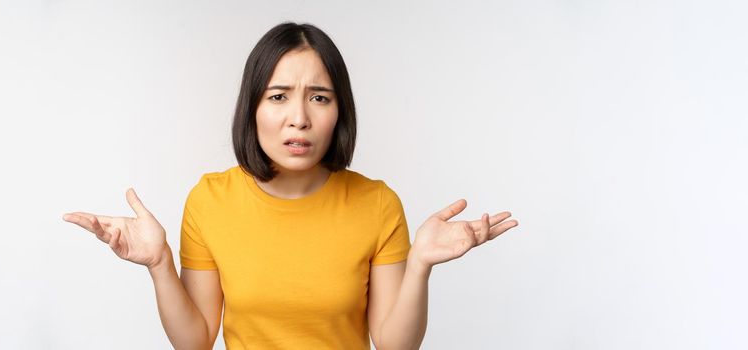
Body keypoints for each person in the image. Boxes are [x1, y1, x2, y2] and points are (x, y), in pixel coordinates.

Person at [63, 21, 518, 350]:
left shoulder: (377, 204)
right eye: (278, 96)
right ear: (253, 107)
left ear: (340, 111)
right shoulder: (211, 200)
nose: (299, 118)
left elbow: (395, 345)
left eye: (319, 98)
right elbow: (196, 341)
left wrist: (419, 265)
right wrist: (159, 263)